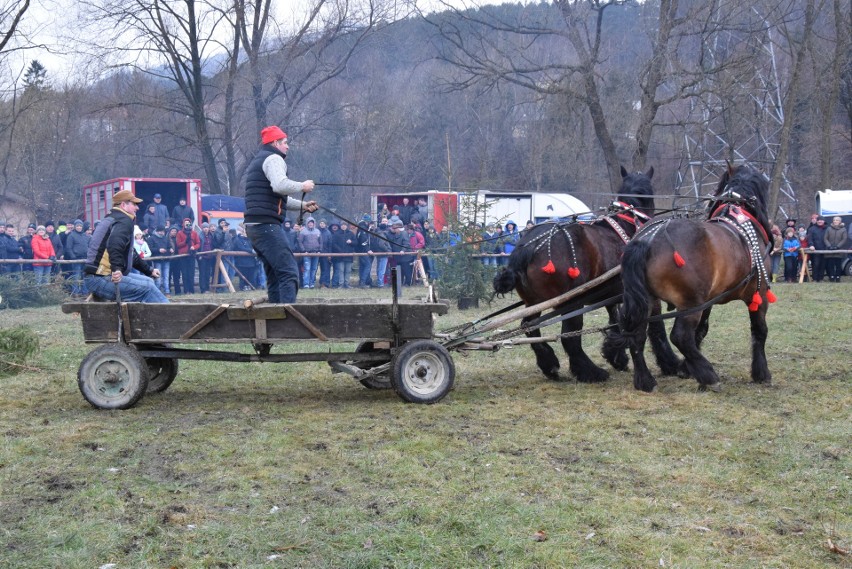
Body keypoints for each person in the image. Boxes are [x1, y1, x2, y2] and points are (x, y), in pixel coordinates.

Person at [243, 126, 318, 303]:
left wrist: (303, 206)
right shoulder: (273, 158)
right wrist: (302, 186)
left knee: (275, 274)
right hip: (266, 226)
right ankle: (287, 319)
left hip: (255, 226)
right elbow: (280, 185)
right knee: (289, 273)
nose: (287, 146)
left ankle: (274, 317)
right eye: (285, 142)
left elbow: (278, 196)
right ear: (275, 143)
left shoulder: (260, 160)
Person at [83, 190, 166, 303]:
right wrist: (116, 269)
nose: (137, 208)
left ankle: (149, 319)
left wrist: (149, 270)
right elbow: (114, 245)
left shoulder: (112, 219)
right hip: (100, 278)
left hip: (97, 277)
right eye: (134, 204)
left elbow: (130, 253)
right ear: (123, 205)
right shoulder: (123, 221)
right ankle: (174, 318)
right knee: (148, 288)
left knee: (149, 281)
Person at [65, 220, 91, 294]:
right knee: (76, 276)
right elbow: (68, 248)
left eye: (80, 226)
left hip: (85, 259)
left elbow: (89, 246)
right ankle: (75, 292)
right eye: (77, 226)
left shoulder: (85, 236)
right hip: (76, 259)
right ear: (75, 227)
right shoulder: (71, 235)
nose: (79, 227)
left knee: (84, 276)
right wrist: (73, 256)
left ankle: (85, 291)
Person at [175, 218, 199, 293]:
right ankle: (186, 290)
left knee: (191, 273)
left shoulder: (194, 233)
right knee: (184, 274)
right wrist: (185, 241)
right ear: (183, 224)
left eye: (188, 223)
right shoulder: (179, 233)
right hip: (183, 255)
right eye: (185, 223)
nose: (187, 224)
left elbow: (198, 243)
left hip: (191, 255)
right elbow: (178, 245)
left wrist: (194, 247)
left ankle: (192, 290)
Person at [298, 216, 323, 288]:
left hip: (316, 253)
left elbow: (321, 242)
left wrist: (319, 250)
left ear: (314, 223)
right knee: (307, 269)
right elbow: (300, 242)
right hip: (306, 253)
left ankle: (312, 283)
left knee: (314, 269)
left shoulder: (318, 231)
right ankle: (306, 284)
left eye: (312, 223)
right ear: (307, 223)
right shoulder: (303, 232)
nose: (310, 224)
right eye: (309, 223)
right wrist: (304, 251)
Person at [148, 225, 172, 295]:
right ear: (157, 231)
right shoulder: (151, 238)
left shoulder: (165, 238)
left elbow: (169, 246)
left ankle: (167, 291)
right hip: (157, 260)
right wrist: (159, 250)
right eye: (160, 231)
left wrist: (170, 249)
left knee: (166, 276)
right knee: (158, 277)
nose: (162, 233)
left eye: (163, 231)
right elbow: (150, 249)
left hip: (166, 260)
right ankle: (157, 292)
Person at [331, 221, 355, 288]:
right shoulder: (336, 234)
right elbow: (334, 244)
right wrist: (340, 251)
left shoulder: (351, 234)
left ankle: (347, 283)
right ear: (340, 226)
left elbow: (356, 242)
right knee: (341, 270)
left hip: (349, 256)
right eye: (342, 225)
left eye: (345, 225)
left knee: (348, 270)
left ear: (347, 226)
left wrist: (351, 242)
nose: (343, 226)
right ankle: (341, 284)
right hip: (340, 256)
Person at [824, 216, 847, 282]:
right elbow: (825, 238)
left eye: (837, 220)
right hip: (830, 250)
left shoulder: (843, 229)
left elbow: (844, 239)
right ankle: (831, 276)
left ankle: (837, 277)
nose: (835, 221)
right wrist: (829, 246)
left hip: (839, 250)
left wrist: (838, 246)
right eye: (834, 220)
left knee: (838, 265)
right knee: (830, 264)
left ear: (840, 221)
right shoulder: (829, 229)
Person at [806, 216, 828, 282]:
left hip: (825, 249)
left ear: (824, 221)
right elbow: (809, 238)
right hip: (815, 250)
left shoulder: (827, 228)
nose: (820, 221)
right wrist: (811, 245)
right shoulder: (812, 229)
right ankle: (815, 278)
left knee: (823, 264)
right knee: (815, 264)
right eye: (818, 220)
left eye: (821, 220)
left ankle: (821, 278)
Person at [197, 222, 215, 293]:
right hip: (202, 257)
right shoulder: (200, 236)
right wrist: (199, 255)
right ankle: (203, 289)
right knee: (202, 273)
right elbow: (198, 246)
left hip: (209, 256)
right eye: (204, 227)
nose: (206, 229)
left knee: (208, 273)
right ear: (202, 228)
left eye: (207, 227)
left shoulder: (211, 235)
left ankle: (207, 288)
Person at [317, 219, 333, 288]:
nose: (322, 224)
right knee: (314, 269)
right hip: (316, 252)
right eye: (321, 223)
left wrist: (329, 254)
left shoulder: (328, 233)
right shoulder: (316, 231)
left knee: (325, 269)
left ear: (326, 224)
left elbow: (330, 244)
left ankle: (325, 283)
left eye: (323, 223)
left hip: (325, 253)